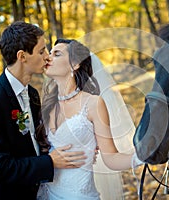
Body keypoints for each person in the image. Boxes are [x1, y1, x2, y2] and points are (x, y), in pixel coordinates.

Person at [0, 21, 88, 200]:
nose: (47, 57)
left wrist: (82, 144)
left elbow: (35, 143)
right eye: (41, 51)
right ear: (22, 56)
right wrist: (49, 162)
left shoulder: (33, 94)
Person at [36, 38, 143, 200]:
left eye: (56, 54)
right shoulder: (47, 105)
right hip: (45, 194)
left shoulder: (93, 103)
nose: (48, 57)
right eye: (49, 53)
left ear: (75, 64)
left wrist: (144, 155)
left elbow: (111, 158)